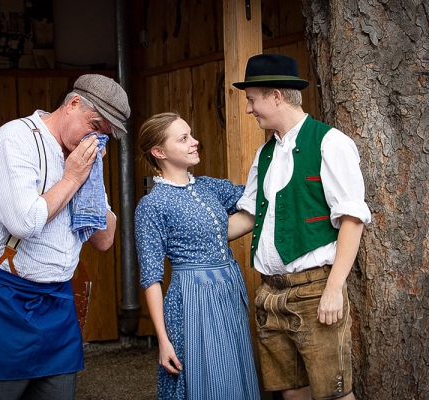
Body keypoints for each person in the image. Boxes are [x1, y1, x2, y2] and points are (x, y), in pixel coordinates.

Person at [0, 74, 131, 400]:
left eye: (105, 135)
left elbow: (104, 240)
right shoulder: (16, 140)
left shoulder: (84, 162)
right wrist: (72, 178)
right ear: (72, 104)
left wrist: (91, 182)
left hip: (56, 303)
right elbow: (24, 223)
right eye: (95, 126)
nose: (97, 139)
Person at [230, 53, 372, 400]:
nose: (249, 110)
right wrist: (196, 234)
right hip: (270, 294)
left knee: (333, 394)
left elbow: (352, 219)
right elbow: (248, 216)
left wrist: (334, 288)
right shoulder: (264, 155)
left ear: (276, 96)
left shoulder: (330, 142)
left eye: (252, 100)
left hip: (314, 292)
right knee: (292, 393)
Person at [134, 112, 260, 400]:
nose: (195, 142)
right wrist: (162, 341)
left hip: (227, 290)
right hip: (193, 298)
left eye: (190, 134)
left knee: (232, 377)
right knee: (204, 380)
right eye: (184, 138)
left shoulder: (208, 187)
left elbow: (252, 203)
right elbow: (151, 277)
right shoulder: (152, 205)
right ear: (159, 152)